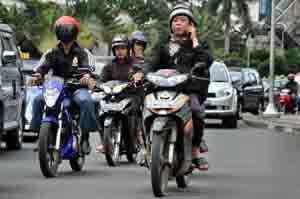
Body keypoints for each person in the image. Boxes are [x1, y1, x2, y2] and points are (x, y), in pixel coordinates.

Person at [132, 2, 213, 170]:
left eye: (182, 20)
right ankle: (146, 148)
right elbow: (150, 62)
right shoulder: (163, 45)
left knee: (197, 111)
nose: (178, 23)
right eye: (175, 20)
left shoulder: (199, 44)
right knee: (142, 105)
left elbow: (206, 61)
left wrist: (194, 39)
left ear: (191, 24)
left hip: (188, 89)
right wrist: (143, 73)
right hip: (162, 88)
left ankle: (196, 151)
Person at [29, 16, 97, 155]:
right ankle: (39, 135)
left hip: (77, 88)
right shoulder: (52, 52)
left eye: (68, 30)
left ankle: (85, 137)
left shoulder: (83, 52)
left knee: (87, 101)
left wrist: (86, 77)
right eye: (63, 30)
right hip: (56, 88)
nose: (66, 33)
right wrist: (37, 76)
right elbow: (43, 67)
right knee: (37, 100)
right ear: (58, 33)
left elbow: (88, 68)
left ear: (74, 34)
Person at [93, 35, 146, 163]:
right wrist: (97, 85)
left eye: (122, 48)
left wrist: (138, 78)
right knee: (98, 107)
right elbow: (101, 80)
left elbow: (141, 75)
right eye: (117, 49)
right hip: (113, 97)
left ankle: (136, 141)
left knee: (133, 111)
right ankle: (104, 140)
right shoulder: (109, 66)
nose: (120, 51)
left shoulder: (135, 64)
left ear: (127, 49)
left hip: (131, 96)